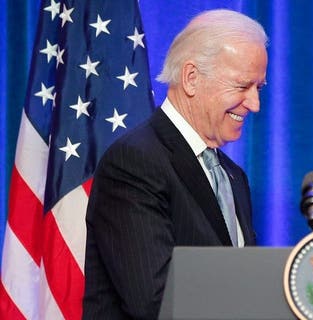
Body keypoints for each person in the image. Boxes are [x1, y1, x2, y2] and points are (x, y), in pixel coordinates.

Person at [82, 9, 268, 319]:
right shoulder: (135, 163)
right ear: (192, 78)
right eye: (242, 86)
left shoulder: (233, 176)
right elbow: (156, 299)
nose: (255, 104)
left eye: (258, 88)